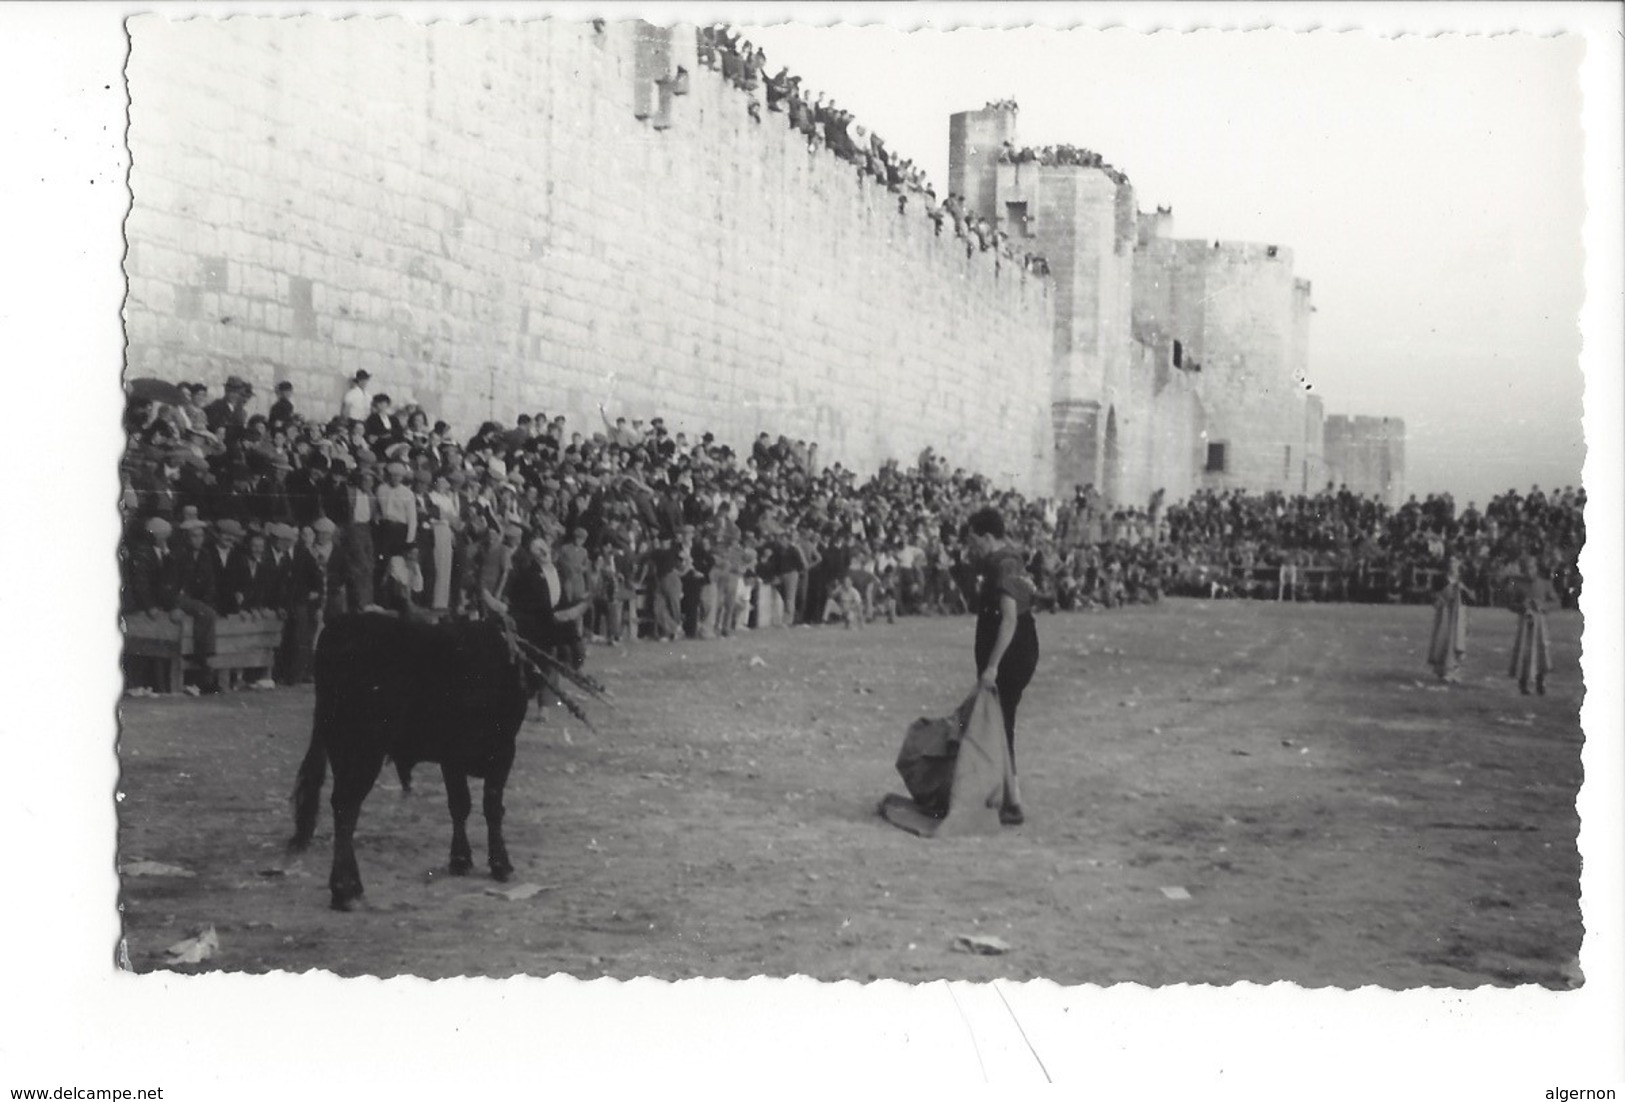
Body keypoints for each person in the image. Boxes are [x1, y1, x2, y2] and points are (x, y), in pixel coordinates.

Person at [964, 505, 1038, 825]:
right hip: (1017, 648)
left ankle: (1013, 799)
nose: (971, 546)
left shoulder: (1004, 564)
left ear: (988, 536)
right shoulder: (1011, 560)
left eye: (974, 540)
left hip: (1009, 651)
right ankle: (1005, 793)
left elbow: (1008, 619)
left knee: (1002, 721)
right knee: (1000, 720)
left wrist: (992, 666)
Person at [1509, 556, 1557, 695]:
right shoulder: (1518, 584)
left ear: (1536, 568)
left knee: (1540, 650)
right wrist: (1521, 607)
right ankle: (1523, 683)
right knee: (1525, 651)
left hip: (1540, 623)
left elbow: (1556, 602)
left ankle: (1540, 682)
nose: (1529, 571)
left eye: (1531, 568)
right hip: (1525, 622)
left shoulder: (1545, 583)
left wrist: (1543, 606)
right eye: (1526, 569)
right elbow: (1510, 603)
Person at [1426, 557, 1470, 683]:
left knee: (1457, 641)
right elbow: (1434, 598)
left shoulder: (1462, 580)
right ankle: (1444, 670)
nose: (1453, 565)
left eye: (1456, 562)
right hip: (1445, 616)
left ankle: (1454, 670)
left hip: (1459, 616)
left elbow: (1468, 599)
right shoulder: (1441, 580)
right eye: (1451, 562)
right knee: (1444, 641)